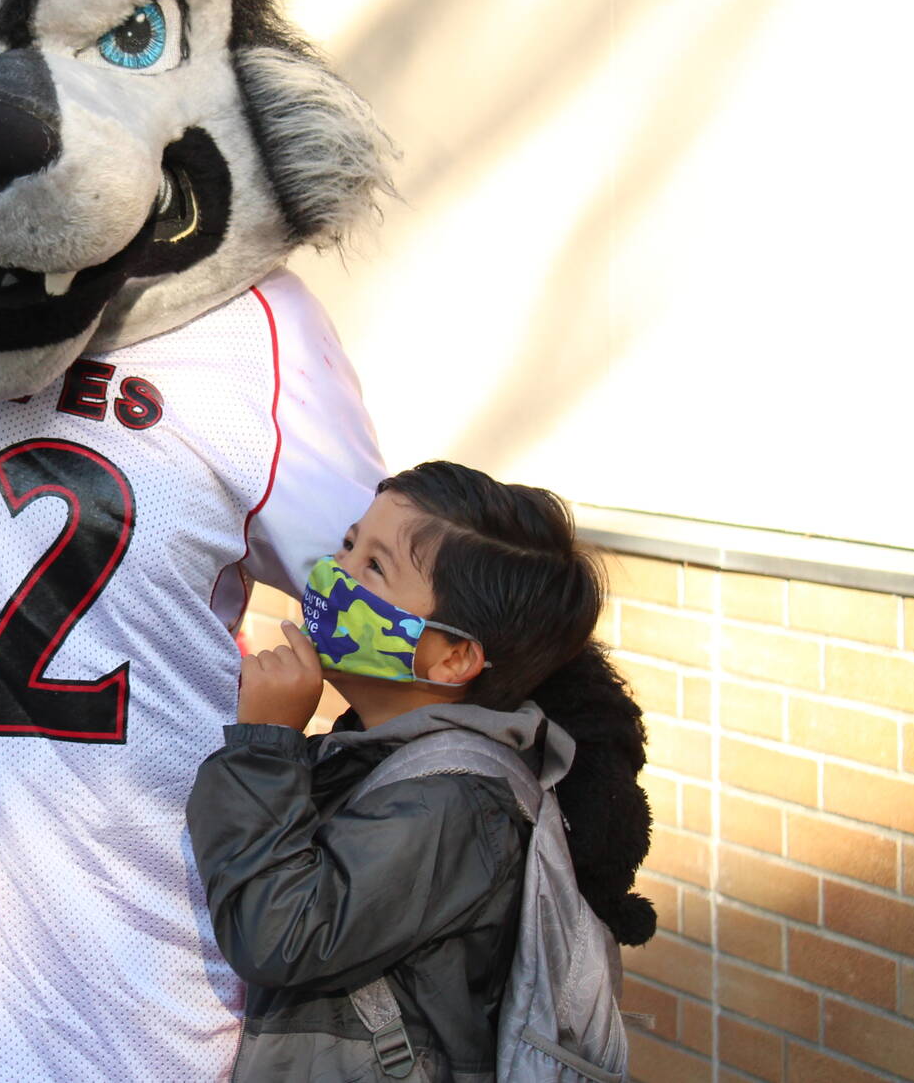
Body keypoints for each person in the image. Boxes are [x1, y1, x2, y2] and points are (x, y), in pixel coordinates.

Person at [187, 460, 655, 1081]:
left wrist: (265, 744)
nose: (334, 575)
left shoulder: (456, 803)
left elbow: (281, 935)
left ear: (453, 657)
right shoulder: (382, 750)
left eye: (374, 567)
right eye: (350, 544)